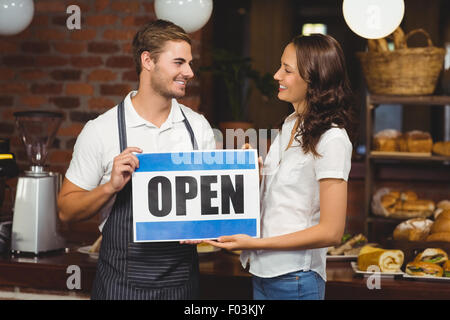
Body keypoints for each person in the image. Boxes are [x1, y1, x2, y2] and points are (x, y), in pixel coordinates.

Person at [57, 20, 216, 300]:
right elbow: (66, 211)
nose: (189, 72)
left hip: (182, 285)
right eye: (179, 62)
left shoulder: (198, 127)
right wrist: (109, 187)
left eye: (190, 63)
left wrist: (245, 182)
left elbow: (209, 210)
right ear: (148, 61)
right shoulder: (101, 130)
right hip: (120, 286)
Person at [205, 33, 357, 300]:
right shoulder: (289, 124)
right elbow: (282, 201)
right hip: (262, 273)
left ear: (313, 79)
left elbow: (332, 231)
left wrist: (257, 244)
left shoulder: (333, 139)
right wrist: (252, 174)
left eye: (286, 70)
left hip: (296, 278)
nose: (276, 75)